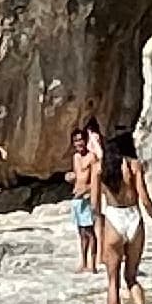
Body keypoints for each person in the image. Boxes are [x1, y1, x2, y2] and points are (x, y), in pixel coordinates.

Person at [95, 126, 152, 304]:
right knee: (131, 277)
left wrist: (99, 233)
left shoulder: (101, 169)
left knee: (112, 282)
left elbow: (95, 207)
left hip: (113, 218)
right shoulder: (133, 166)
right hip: (134, 218)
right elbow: (144, 197)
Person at [67, 113, 103, 273]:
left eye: (80, 140)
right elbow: (78, 177)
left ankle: (93, 264)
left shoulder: (92, 157)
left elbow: (96, 180)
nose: (78, 143)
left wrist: (87, 191)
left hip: (87, 198)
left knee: (90, 232)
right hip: (76, 198)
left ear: (85, 141)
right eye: (75, 141)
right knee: (81, 233)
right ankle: (83, 261)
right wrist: (70, 178)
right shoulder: (75, 157)